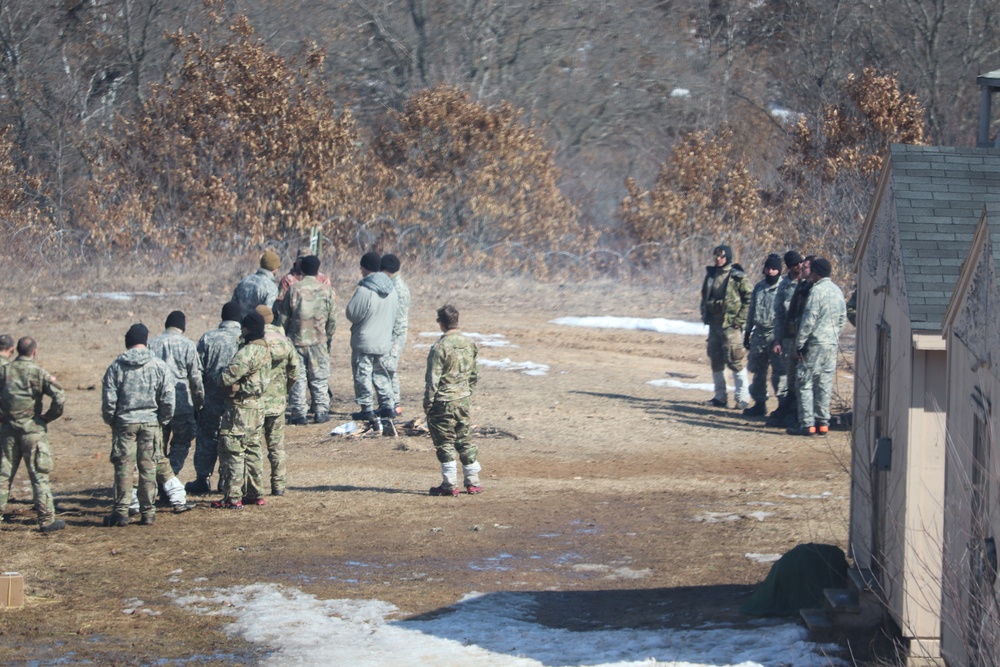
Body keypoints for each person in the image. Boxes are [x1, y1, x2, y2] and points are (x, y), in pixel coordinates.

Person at [101, 324, 174, 526]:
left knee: (124, 467)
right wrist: (162, 420)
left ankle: (121, 512)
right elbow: (168, 397)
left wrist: (112, 420)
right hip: (150, 423)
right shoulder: (159, 366)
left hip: (125, 424)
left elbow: (109, 400)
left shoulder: (116, 367)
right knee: (148, 467)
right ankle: (148, 512)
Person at [0, 337, 66, 532]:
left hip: (8, 430)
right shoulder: (38, 372)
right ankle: (46, 520)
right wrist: (47, 417)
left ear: (16, 351)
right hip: (33, 431)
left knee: (3, 474)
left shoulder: (5, 370)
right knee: (39, 474)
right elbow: (60, 396)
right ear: (34, 352)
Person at [212, 312, 271, 509]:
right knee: (253, 450)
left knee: (233, 450)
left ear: (248, 329)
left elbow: (226, 378)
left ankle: (233, 497)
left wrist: (218, 374)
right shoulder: (265, 350)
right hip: (257, 407)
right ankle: (255, 493)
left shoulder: (248, 352)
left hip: (240, 409)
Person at [424, 305, 481, 496]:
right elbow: (474, 374)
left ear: (440, 322)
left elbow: (433, 378)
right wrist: (466, 392)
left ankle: (449, 485)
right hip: (462, 399)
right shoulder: (470, 343)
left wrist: (428, 402)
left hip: (443, 401)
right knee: (465, 439)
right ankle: (473, 482)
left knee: (444, 442)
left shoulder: (440, 347)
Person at [186, 301, 242, 494]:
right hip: (235, 400)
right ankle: (226, 479)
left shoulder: (208, 338)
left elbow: (197, 370)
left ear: (222, 317)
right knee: (231, 438)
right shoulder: (242, 339)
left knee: (207, 438)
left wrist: (198, 400)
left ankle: (203, 478)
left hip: (210, 398)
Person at [274, 254, 336, 424]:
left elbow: (284, 317)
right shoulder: (327, 291)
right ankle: (322, 410)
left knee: (297, 377)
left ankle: (298, 413)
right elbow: (332, 319)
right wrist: (327, 337)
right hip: (318, 341)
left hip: (296, 340)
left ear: (301, 269)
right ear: (317, 270)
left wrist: (283, 336)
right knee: (319, 377)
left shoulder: (294, 289)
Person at [788, 257, 847, 436]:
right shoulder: (837, 291)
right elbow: (842, 319)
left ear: (816, 273)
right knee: (824, 383)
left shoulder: (816, 291)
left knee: (804, 382)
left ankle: (807, 424)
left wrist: (799, 344)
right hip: (831, 344)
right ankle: (823, 423)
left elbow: (808, 320)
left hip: (814, 343)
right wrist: (834, 336)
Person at [346, 251, 399, 428]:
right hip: (383, 340)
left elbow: (352, 314)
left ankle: (366, 408)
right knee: (381, 374)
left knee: (363, 375)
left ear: (365, 267)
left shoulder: (365, 290)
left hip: (365, 340)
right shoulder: (392, 290)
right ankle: (387, 406)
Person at [149, 311, 205, 475]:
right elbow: (195, 378)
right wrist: (199, 403)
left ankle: (155, 480)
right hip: (181, 403)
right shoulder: (187, 345)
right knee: (181, 441)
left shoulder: (152, 344)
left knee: (157, 444)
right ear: (183, 327)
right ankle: (170, 476)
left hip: (157, 403)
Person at [700, 244, 752, 409]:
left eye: (721, 256)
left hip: (731, 325)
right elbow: (704, 296)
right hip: (714, 324)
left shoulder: (738, 277)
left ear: (728, 258)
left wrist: (739, 320)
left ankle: (742, 397)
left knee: (735, 359)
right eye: (716, 256)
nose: (718, 259)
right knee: (716, 360)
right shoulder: (710, 276)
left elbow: (749, 299)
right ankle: (720, 396)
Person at [256, 304, 299, 496]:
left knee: (253, 446)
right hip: (278, 402)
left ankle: (255, 486)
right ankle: (279, 485)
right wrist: (284, 390)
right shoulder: (284, 340)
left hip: (256, 402)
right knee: (276, 447)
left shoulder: (253, 341)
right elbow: (294, 371)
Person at [769, 254, 813, 427]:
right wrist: (778, 339)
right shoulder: (785, 286)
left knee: (802, 379)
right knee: (789, 375)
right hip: (789, 337)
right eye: (795, 264)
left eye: (802, 263)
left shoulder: (810, 287)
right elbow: (780, 315)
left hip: (804, 340)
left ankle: (798, 414)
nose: (800, 266)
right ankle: (787, 409)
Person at [743, 254, 783, 416]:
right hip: (759, 334)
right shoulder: (759, 288)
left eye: (774, 268)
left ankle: (783, 405)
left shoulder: (783, 287)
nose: (771, 271)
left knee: (779, 373)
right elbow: (751, 311)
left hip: (776, 334)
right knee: (758, 370)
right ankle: (759, 403)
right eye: (768, 268)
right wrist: (747, 333)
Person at [381, 253, 410, 416]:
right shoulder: (394, 285)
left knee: (389, 367)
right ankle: (392, 402)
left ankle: (394, 404)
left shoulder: (395, 288)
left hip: (395, 334)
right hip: (392, 333)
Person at [232, 250, 280, 320]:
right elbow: (267, 315)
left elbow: (233, 306)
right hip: (256, 328)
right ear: (275, 268)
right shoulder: (271, 288)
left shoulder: (244, 281)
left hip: (239, 327)